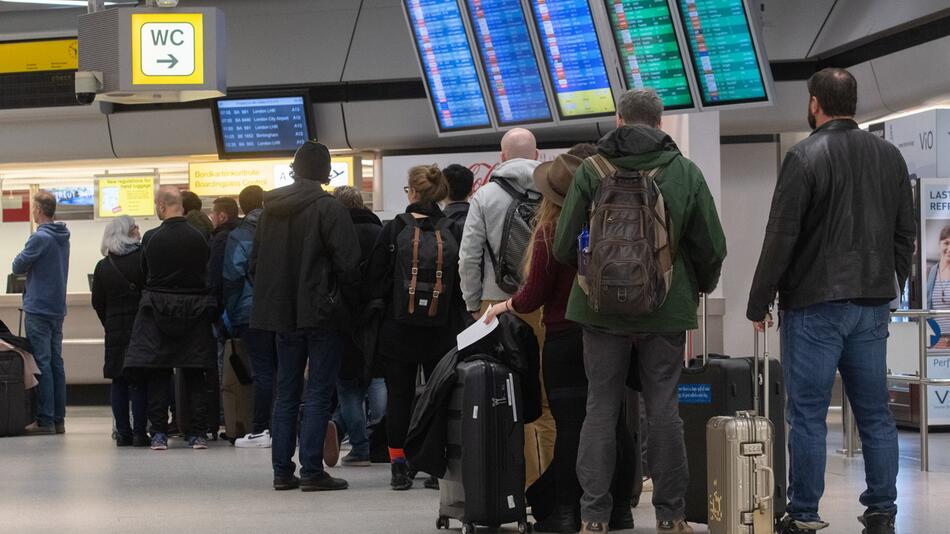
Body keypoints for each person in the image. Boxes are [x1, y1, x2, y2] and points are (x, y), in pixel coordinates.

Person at [747, 68, 915, 534]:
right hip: (872, 304)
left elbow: (781, 236)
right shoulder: (890, 158)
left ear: (815, 103)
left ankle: (804, 514)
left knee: (807, 415)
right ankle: (881, 511)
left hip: (814, 305)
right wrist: (888, 281)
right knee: (875, 414)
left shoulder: (804, 156)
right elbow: (905, 235)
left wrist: (758, 300)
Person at [554, 88, 727, 534]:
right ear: (660, 121)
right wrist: (694, 286)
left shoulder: (591, 171)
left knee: (601, 408)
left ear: (618, 120)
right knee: (663, 409)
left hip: (598, 312)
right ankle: (670, 516)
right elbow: (711, 245)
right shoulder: (683, 171)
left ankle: (593, 516)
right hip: (666, 308)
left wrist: (599, 278)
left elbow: (562, 244)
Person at [484, 146, 641, 533]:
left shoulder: (552, 229)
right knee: (613, 424)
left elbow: (534, 293)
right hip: (614, 336)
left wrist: (503, 306)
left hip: (566, 339)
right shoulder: (617, 225)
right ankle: (620, 510)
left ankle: (567, 513)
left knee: (572, 428)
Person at [250, 141, 361, 492]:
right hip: (322, 314)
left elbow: (255, 265)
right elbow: (349, 264)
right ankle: (312, 470)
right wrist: (345, 302)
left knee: (286, 392)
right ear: (327, 173)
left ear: (294, 169)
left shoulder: (270, 210)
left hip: (281, 314)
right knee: (318, 392)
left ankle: (282, 471)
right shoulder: (330, 208)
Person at [458, 126, 556, 489]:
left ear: (501, 157)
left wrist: (473, 304)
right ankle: (546, 489)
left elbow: (468, 256)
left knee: (499, 395)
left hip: (494, 307)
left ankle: (505, 486)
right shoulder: (554, 192)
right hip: (544, 306)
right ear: (538, 155)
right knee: (544, 399)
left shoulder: (485, 195)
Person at [364, 164, 464, 490]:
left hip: (398, 328)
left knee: (400, 397)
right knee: (439, 397)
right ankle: (437, 467)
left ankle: (398, 466)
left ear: (413, 192)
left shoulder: (394, 229)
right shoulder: (452, 228)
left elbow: (375, 278)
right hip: (441, 328)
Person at [123, 187, 217, 451]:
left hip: (157, 311)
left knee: (158, 373)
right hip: (195, 311)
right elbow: (206, 271)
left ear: (163, 206)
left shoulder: (152, 238)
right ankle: (197, 434)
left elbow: (144, 273)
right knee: (195, 373)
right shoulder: (200, 236)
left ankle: (159, 435)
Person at [331, 185, 387, 467]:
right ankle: (382, 443)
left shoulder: (335, 234)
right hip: (378, 314)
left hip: (345, 316)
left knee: (348, 385)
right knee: (378, 377)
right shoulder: (380, 233)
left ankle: (360, 449)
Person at [223, 185, 279, 448]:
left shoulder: (239, 236)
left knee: (262, 371)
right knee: (284, 369)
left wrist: (231, 314)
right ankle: (287, 425)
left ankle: (261, 429)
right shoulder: (278, 230)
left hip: (250, 311)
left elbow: (233, 275)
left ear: (243, 207)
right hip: (281, 309)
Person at [12, 190, 70, 435]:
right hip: (57, 309)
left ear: (38, 210)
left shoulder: (40, 238)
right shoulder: (63, 236)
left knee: (42, 363)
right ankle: (59, 418)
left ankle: (45, 419)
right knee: (56, 363)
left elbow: (17, 266)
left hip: (38, 308)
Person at [91, 216, 148, 447]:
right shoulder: (143, 260)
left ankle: (123, 433)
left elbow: (98, 302)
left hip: (114, 330)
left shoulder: (103, 266)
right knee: (140, 381)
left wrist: (109, 323)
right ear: (126, 232)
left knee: (118, 381)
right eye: (135, 227)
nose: (138, 230)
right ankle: (140, 433)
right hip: (140, 328)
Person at [926, 226, 950, 347]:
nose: (949, 248)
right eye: (946, 243)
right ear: (939, 244)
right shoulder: (932, 272)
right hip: (936, 340)